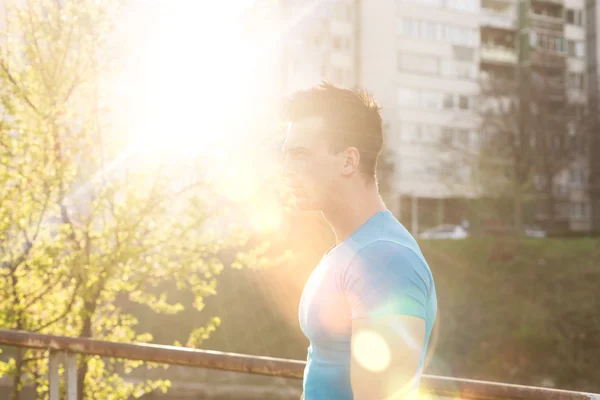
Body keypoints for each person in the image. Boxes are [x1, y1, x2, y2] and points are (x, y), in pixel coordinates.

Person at [281, 82, 437, 400]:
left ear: (349, 162)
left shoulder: (385, 259)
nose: (288, 170)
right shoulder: (349, 251)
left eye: (301, 155)